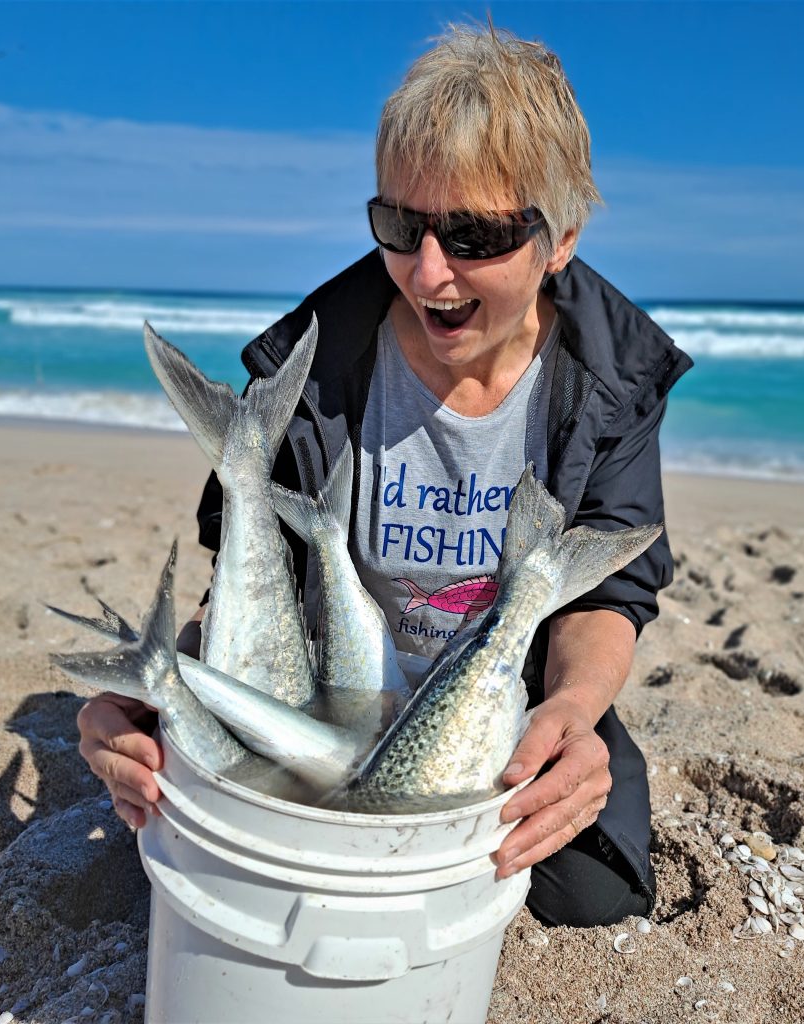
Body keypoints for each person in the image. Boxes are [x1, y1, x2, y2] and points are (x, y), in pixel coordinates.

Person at [77, 23, 692, 928]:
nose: (428, 271)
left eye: (475, 234)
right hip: (323, 692)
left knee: (590, 887)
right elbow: (257, 588)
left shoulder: (612, 379)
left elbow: (610, 589)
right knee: (200, 849)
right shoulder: (311, 374)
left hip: (489, 701)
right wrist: (164, 690)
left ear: (559, 238)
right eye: (400, 225)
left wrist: (571, 705)